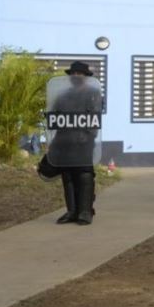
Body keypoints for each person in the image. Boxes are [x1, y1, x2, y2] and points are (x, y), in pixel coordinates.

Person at [44, 61, 102, 225]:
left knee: (84, 174)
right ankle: (72, 211)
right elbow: (53, 115)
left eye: (79, 73)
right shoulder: (63, 95)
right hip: (63, 141)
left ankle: (85, 211)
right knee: (67, 175)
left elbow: (95, 116)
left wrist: (88, 135)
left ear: (86, 76)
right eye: (73, 73)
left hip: (83, 142)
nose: (76, 76)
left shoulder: (93, 93)